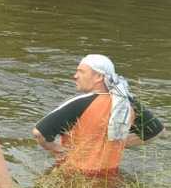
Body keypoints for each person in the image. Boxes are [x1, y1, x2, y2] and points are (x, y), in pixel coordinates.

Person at [33, 54, 163, 176]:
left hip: (73, 175)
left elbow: (38, 133)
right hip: (110, 176)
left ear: (99, 77)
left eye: (81, 71)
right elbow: (157, 131)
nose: (75, 76)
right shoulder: (127, 103)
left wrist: (57, 149)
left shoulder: (79, 104)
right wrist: (117, 144)